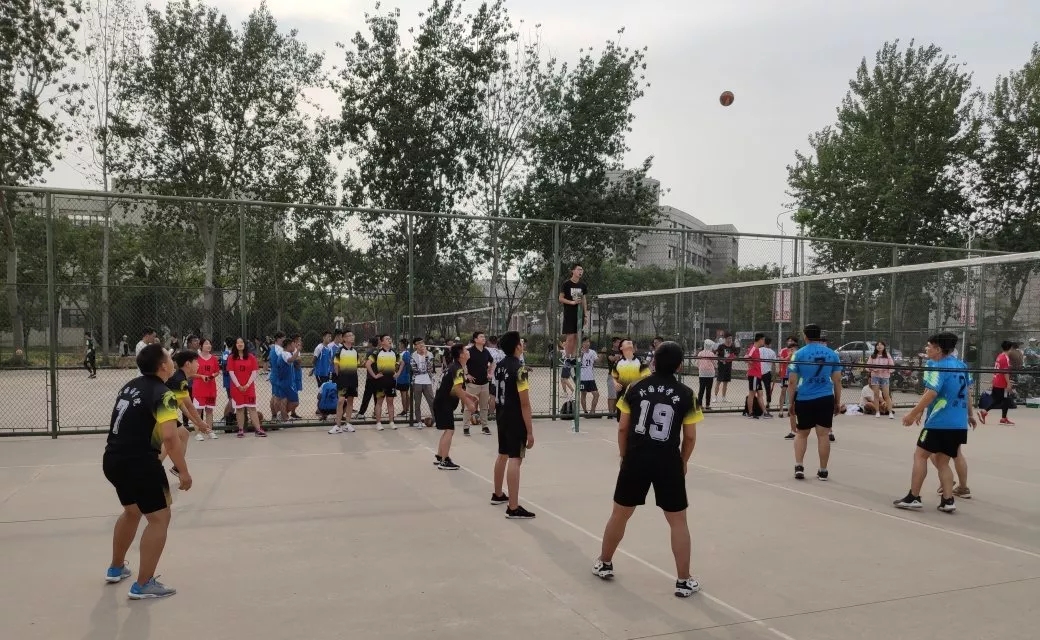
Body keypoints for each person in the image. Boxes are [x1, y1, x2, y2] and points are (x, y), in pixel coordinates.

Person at [592, 341, 703, 598]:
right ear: (680, 366)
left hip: (636, 459)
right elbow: (689, 437)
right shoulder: (687, 394)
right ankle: (683, 580)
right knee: (678, 521)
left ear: (653, 362)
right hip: (668, 461)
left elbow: (622, 427)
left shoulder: (634, 388)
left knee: (620, 514)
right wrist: (683, 461)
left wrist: (624, 456)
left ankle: (604, 562)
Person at [102, 343, 190, 599]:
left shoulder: (129, 386)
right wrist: (184, 471)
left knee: (132, 511)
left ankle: (116, 567)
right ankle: (143, 584)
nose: (172, 360)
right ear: (163, 366)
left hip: (113, 459)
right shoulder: (164, 394)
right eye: (169, 357)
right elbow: (171, 438)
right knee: (160, 518)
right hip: (140, 463)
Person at [894, 333, 977, 512]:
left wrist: (912, 413)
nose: (927, 348)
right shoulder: (961, 365)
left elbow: (931, 392)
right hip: (958, 424)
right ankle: (948, 500)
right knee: (942, 462)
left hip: (940, 422)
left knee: (920, 455)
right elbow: (967, 393)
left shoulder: (936, 366)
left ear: (938, 349)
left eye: (929, 346)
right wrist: (970, 414)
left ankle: (914, 497)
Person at [787, 324, 842, 481]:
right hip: (825, 397)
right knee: (823, 435)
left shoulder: (798, 354)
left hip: (804, 397)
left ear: (805, 336)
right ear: (819, 335)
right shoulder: (832, 354)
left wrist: (790, 403)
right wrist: (837, 402)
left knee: (802, 433)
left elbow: (792, 381)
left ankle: (799, 467)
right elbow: (837, 380)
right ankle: (823, 470)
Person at [491, 331, 536, 518]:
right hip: (515, 417)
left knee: (502, 454)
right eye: (521, 342)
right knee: (515, 458)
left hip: (502, 415)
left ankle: (498, 493)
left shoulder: (499, 366)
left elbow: (493, 395)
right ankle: (513, 507)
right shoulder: (520, 369)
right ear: (518, 346)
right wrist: (530, 431)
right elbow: (524, 403)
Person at [163, 350, 213, 477]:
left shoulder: (180, 377)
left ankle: (177, 468)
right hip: (161, 414)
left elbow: (182, 406)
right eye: (196, 362)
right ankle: (152, 470)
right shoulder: (180, 381)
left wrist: (198, 423)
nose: (198, 364)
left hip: (167, 412)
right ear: (188, 364)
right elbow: (190, 406)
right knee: (166, 444)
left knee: (184, 434)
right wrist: (200, 423)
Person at [432, 344, 479, 470]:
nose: (468, 352)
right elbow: (457, 389)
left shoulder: (453, 367)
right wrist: (468, 403)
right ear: (461, 355)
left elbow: (455, 388)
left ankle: (440, 456)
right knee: (449, 430)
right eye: (466, 350)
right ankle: (445, 461)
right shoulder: (457, 369)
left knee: (448, 430)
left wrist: (469, 395)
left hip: (442, 403)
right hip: (444, 403)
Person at [228, 337, 266, 437]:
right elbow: (231, 373)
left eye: (241, 342)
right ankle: (241, 430)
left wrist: (247, 385)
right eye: (237, 343)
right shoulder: (231, 358)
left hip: (249, 388)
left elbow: (254, 372)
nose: (240, 344)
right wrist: (238, 385)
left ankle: (258, 429)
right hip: (237, 388)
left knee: (252, 408)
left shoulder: (251, 357)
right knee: (239, 409)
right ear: (235, 345)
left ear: (245, 344)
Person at [610, 338, 651, 421]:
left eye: (630, 344)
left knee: (635, 419)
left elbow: (646, 376)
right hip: (622, 395)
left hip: (637, 394)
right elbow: (614, 376)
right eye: (626, 344)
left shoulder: (640, 361)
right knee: (622, 420)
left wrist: (634, 386)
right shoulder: (618, 362)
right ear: (621, 348)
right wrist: (615, 384)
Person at [367, 334, 401, 430]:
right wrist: (374, 375)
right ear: (382, 342)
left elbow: (401, 363)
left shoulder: (394, 352)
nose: (389, 340)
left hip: (391, 381)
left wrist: (398, 373)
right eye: (387, 339)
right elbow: (367, 364)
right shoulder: (377, 352)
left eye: (390, 338)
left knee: (390, 402)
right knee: (379, 402)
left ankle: (391, 422)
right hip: (380, 382)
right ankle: (378, 423)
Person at [464, 332, 494, 436]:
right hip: (473, 384)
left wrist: (490, 373)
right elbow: (462, 363)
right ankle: (466, 428)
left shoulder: (486, 351)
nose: (483, 338)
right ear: (475, 340)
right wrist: (466, 374)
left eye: (484, 337)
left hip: (484, 384)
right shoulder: (469, 351)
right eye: (481, 337)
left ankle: (485, 427)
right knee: (469, 406)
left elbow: (492, 361)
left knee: (484, 407)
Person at [558, 263, 589, 366]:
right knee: (570, 336)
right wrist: (572, 302)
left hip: (579, 315)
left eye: (582, 270)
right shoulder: (566, 284)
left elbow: (584, 300)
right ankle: (567, 357)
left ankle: (574, 357)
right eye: (578, 269)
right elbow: (560, 298)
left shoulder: (582, 285)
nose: (580, 271)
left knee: (577, 336)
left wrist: (585, 315)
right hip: (569, 314)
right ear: (573, 271)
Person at [329, 330, 360, 434]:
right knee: (341, 401)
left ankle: (347, 424)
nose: (352, 337)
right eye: (349, 336)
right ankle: (337, 426)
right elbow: (336, 365)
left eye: (352, 335)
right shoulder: (339, 351)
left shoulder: (355, 351)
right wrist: (341, 377)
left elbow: (356, 365)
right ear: (344, 339)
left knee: (350, 401)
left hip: (353, 380)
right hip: (342, 380)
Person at [192, 339, 221, 440]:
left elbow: (217, 371)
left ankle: (209, 431)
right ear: (201, 346)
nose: (208, 345)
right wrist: (201, 376)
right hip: (199, 388)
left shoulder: (213, 359)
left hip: (211, 388)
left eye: (209, 344)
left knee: (209, 410)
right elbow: (191, 373)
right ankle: (197, 433)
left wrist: (212, 376)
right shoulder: (196, 358)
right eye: (206, 344)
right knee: (198, 411)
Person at [980, 341, 1014, 426]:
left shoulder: (1000, 356)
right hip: (1001, 383)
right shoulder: (1005, 358)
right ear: (1010, 348)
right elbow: (1005, 372)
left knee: (1005, 399)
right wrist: (1008, 383)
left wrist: (993, 379)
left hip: (997, 381)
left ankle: (1003, 418)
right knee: (1000, 400)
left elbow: (997, 369)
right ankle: (984, 411)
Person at [409, 338, 437, 428]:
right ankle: (419, 421)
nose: (421, 345)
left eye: (422, 343)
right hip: (417, 380)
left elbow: (429, 368)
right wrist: (423, 368)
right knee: (417, 402)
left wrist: (426, 357)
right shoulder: (413, 356)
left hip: (427, 380)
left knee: (432, 401)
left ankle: (436, 419)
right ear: (415, 346)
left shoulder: (429, 354)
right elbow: (415, 370)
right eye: (419, 343)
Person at [867, 341, 896, 420]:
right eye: (878, 345)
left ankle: (890, 412)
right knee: (876, 395)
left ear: (884, 346)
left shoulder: (887, 355)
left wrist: (886, 369)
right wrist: (874, 369)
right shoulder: (872, 356)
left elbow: (892, 366)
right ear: (876, 347)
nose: (879, 346)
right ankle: (877, 411)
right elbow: (868, 366)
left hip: (885, 377)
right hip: (875, 376)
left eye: (881, 345)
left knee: (886, 395)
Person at [743, 333, 769, 419]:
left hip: (758, 375)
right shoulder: (753, 348)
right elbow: (746, 358)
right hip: (754, 375)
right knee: (752, 393)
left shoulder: (757, 349)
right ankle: (750, 413)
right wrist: (751, 363)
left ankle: (765, 412)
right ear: (760, 340)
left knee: (760, 393)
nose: (764, 342)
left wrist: (751, 363)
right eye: (763, 340)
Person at [312, 331, 335, 415]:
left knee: (325, 390)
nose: (330, 338)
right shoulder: (319, 348)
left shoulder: (329, 348)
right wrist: (314, 369)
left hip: (327, 373)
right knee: (322, 391)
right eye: (328, 336)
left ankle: (323, 408)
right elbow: (314, 360)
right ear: (323, 337)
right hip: (320, 373)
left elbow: (330, 360)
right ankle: (319, 409)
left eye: (330, 337)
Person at [779, 336, 797, 431]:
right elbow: (781, 360)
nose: (790, 342)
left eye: (792, 341)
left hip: (794, 375)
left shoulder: (798, 352)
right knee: (783, 391)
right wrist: (789, 356)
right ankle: (781, 410)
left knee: (793, 392)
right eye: (788, 341)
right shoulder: (783, 350)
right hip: (785, 374)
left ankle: (791, 409)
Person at [712, 334, 737, 404]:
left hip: (728, 366)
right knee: (718, 382)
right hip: (721, 366)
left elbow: (735, 354)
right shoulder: (721, 346)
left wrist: (733, 357)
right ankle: (715, 397)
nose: (730, 340)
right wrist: (721, 360)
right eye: (729, 338)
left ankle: (724, 397)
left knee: (725, 383)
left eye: (731, 338)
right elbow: (717, 354)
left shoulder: (732, 346)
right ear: (725, 339)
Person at [579, 338, 600, 415]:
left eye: (588, 342)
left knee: (596, 394)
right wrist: (581, 355)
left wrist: (601, 355)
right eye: (585, 342)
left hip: (591, 378)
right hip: (582, 378)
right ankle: (585, 411)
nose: (587, 343)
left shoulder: (592, 352)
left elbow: (597, 361)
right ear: (582, 343)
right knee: (583, 394)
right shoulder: (579, 352)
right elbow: (577, 362)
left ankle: (592, 411)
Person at [695, 340, 716, 411]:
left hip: (702, 373)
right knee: (708, 389)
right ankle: (707, 405)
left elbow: (697, 363)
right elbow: (715, 363)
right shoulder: (711, 354)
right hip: (710, 373)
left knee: (701, 389)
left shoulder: (700, 353)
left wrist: (700, 367)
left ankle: (700, 405)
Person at [605, 337, 622, 417]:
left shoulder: (622, 351)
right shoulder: (609, 351)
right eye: (618, 342)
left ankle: (615, 412)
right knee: (612, 395)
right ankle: (610, 413)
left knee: (618, 395)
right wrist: (618, 356)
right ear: (614, 343)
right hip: (612, 375)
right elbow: (611, 359)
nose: (619, 344)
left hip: (621, 375)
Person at [396, 339, 412, 421]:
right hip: (405, 376)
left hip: (403, 376)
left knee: (403, 394)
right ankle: (407, 408)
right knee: (406, 393)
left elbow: (399, 365)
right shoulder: (407, 353)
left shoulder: (404, 354)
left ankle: (405, 410)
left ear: (402, 344)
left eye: (400, 344)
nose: (399, 346)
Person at [760, 336, 777, 409]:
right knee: (768, 388)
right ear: (770, 344)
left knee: (758, 389)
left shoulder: (759, 350)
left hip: (759, 372)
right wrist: (774, 374)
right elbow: (774, 364)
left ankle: (759, 401)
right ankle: (768, 403)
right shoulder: (772, 352)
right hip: (767, 372)